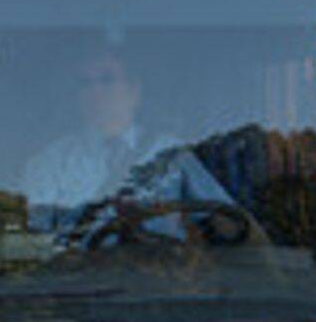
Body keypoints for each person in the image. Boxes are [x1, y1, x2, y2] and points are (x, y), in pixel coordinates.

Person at [20, 45, 228, 239]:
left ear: (134, 90)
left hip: (157, 263)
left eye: (107, 80)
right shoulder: (50, 164)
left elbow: (224, 220)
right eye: (85, 84)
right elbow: (36, 239)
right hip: (82, 265)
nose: (96, 92)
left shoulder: (172, 154)